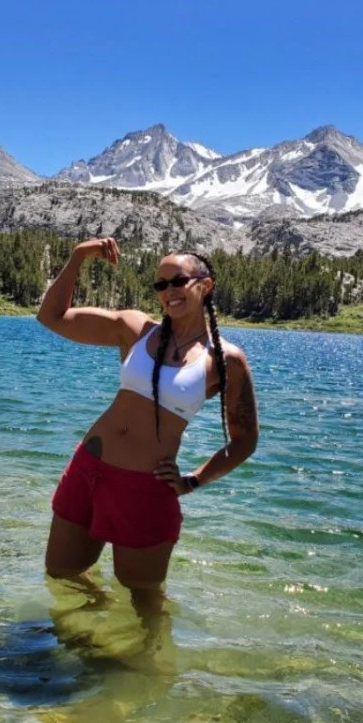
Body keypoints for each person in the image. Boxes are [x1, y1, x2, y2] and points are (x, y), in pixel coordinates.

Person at [36, 237, 259, 613]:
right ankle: (96, 630)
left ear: (205, 286)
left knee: (145, 600)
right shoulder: (138, 329)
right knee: (61, 573)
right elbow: (51, 317)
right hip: (88, 470)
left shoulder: (224, 361)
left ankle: (148, 666)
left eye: (178, 281)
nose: (168, 292)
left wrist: (193, 480)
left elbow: (244, 441)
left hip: (144, 489)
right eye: (160, 285)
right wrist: (78, 256)